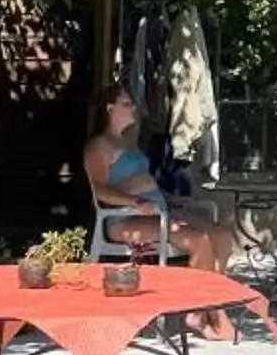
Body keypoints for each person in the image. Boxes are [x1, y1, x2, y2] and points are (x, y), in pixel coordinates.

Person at [83, 91, 239, 335]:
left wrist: (166, 196)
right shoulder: (98, 145)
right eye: (127, 103)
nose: (133, 106)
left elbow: (144, 181)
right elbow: (100, 190)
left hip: (159, 209)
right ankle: (210, 313)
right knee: (199, 241)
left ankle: (206, 310)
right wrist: (134, 199)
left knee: (222, 235)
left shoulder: (127, 143)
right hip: (125, 218)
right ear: (109, 108)